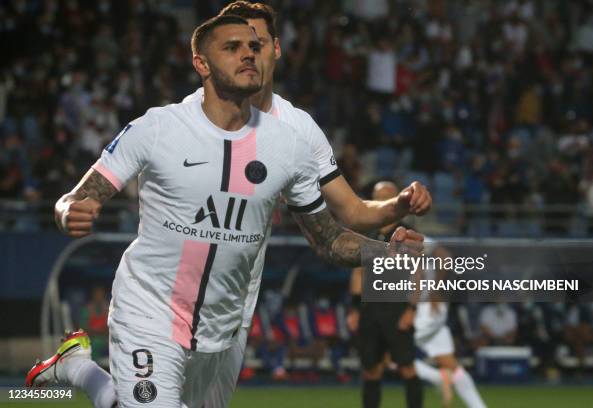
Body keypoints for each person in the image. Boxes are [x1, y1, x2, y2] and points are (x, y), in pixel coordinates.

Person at [26, 15, 424, 408]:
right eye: (231, 48)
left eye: (253, 46)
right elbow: (73, 199)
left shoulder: (288, 146)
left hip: (224, 326)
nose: (248, 55)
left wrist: (383, 254)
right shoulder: (158, 128)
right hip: (148, 309)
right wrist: (70, 212)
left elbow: (329, 239)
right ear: (201, 63)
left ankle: (77, 367)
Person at [347, 181, 423, 408]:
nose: (384, 200)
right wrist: (354, 309)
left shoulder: (409, 233)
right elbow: (358, 274)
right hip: (370, 309)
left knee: (406, 367)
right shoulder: (365, 233)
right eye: (379, 196)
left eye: (389, 195)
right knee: (371, 370)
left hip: (397, 307)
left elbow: (417, 276)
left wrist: (412, 309)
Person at [411, 239, 487, 408]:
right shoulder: (388, 236)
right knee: (452, 365)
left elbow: (444, 256)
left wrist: (436, 289)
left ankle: (438, 378)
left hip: (423, 311)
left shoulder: (411, 235)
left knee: (386, 352)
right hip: (430, 312)